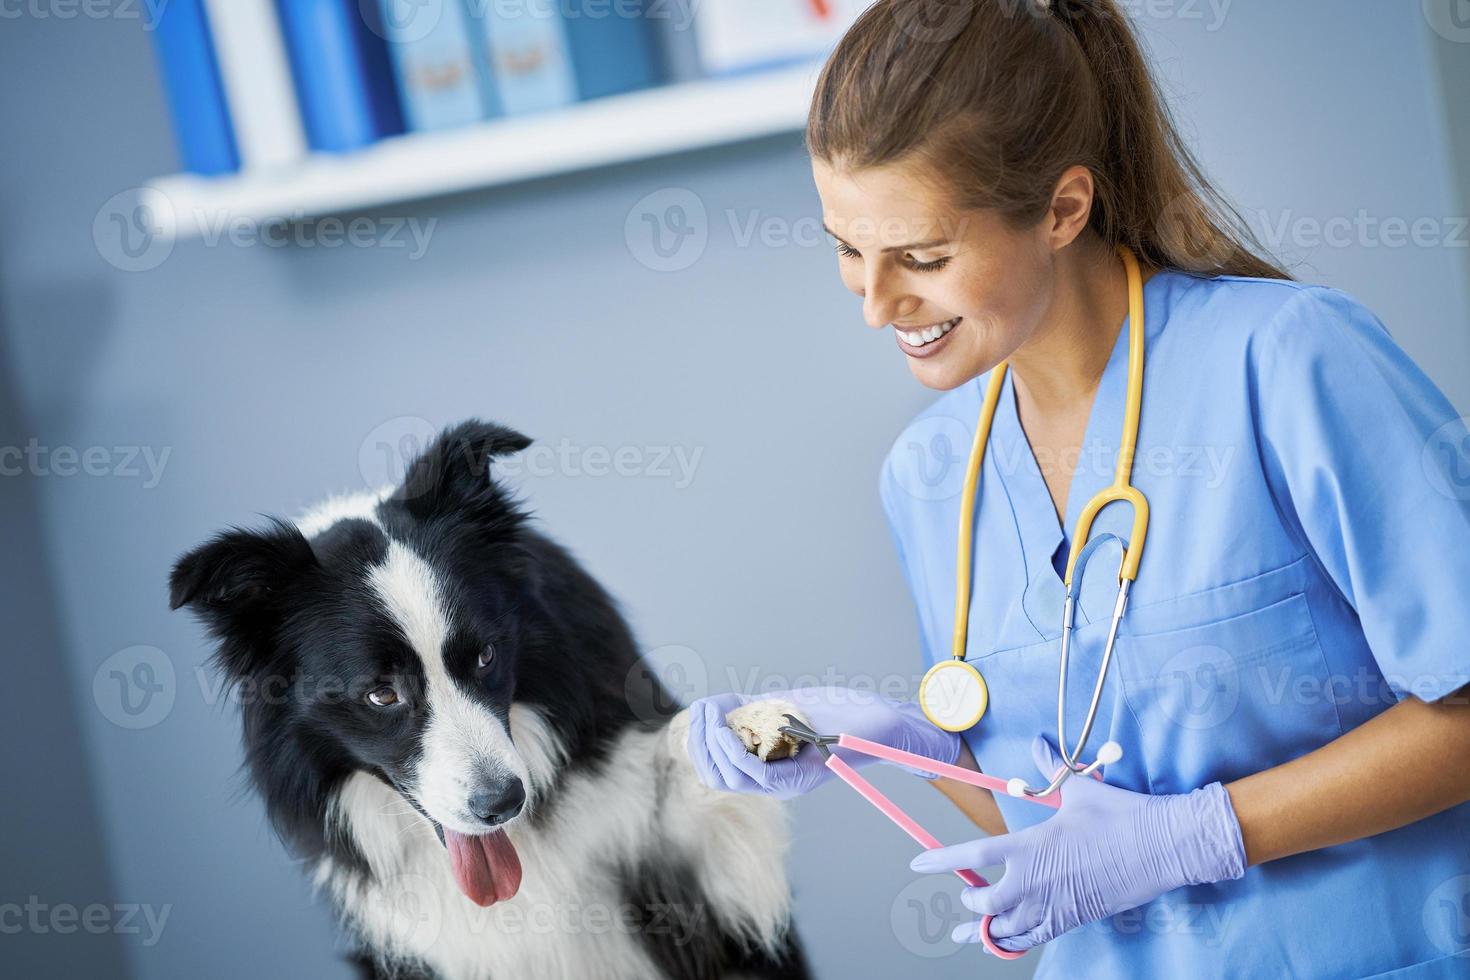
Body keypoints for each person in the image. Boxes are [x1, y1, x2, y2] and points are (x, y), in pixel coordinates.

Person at [685, 1, 1470, 976]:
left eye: (921, 257)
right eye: (849, 248)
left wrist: (1202, 833)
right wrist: (887, 740)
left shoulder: (1290, 362)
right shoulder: (931, 478)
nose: (877, 303)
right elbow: (1052, 815)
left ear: (1062, 208)